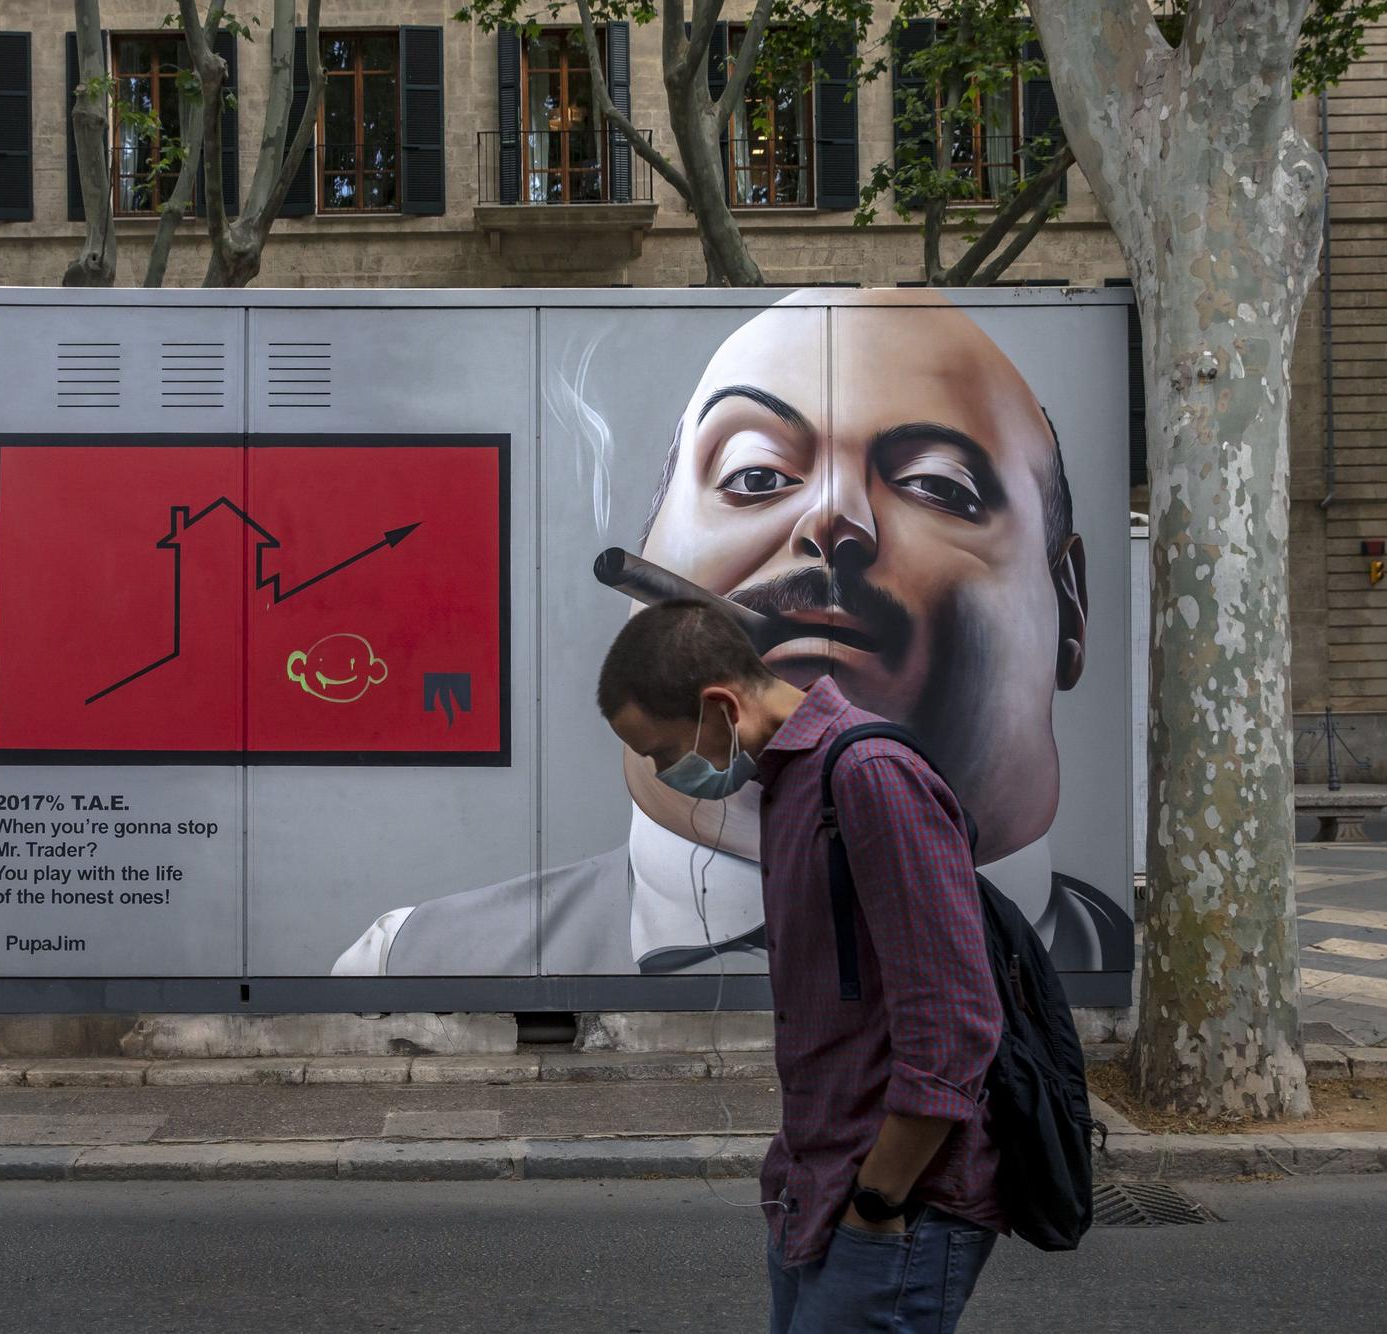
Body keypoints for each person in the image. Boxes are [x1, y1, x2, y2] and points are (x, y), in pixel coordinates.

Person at [333, 288, 1130, 977]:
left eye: (934, 486)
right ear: (650, 554)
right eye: (755, 476)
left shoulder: (1123, 966)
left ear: (1069, 607)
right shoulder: (412, 961)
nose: (830, 518)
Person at [598, 598, 1003, 1333]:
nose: (664, 772)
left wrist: (877, 1200)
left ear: (720, 705)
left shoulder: (869, 776)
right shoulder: (790, 782)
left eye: (661, 751)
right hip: (816, 1189)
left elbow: (954, 1025)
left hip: (891, 1207)